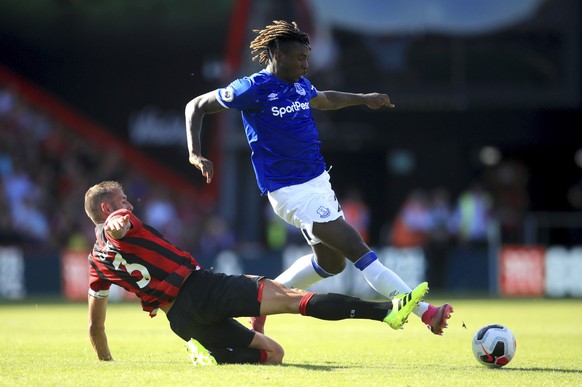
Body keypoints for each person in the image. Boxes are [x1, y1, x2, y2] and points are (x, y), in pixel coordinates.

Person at [184, 20, 452, 335]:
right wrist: (195, 153)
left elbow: (324, 99)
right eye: (300, 58)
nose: (306, 64)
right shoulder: (251, 88)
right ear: (278, 55)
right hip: (290, 191)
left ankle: (257, 303)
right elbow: (196, 105)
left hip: (318, 184)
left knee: (331, 264)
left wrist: (364, 97)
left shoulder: (300, 85)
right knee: (356, 246)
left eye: (307, 58)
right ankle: (424, 312)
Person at [84, 180, 429, 365]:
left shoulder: (95, 263)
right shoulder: (123, 222)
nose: (129, 205)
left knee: (273, 354)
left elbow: (95, 327)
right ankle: (387, 313)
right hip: (203, 288)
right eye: (123, 200)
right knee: (296, 300)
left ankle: (216, 356)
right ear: (107, 208)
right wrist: (116, 223)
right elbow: (118, 224)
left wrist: (107, 363)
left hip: (180, 320)